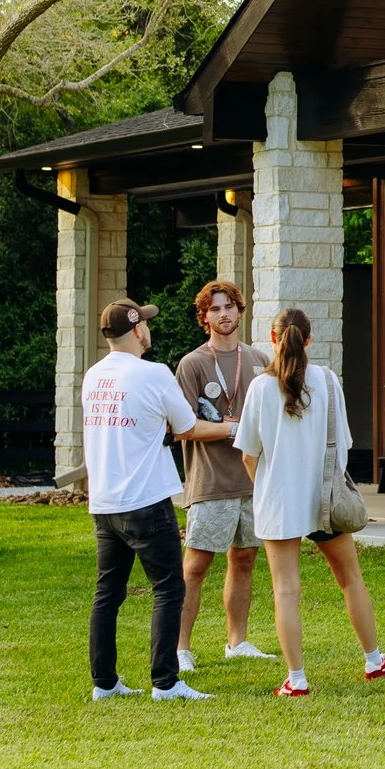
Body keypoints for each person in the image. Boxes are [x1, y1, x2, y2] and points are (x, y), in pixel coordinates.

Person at [232, 308, 385, 696]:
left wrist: (267, 487)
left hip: (279, 502)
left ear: (273, 339)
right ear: (309, 340)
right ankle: (375, 661)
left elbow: (248, 454)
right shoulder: (327, 381)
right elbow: (343, 445)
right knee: (350, 578)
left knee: (285, 591)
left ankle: (297, 680)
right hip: (325, 500)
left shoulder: (260, 388)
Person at [80, 298, 236, 702]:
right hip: (146, 500)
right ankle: (165, 682)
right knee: (168, 588)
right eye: (145, 323)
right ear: (137, 329)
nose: (147, 329)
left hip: (104, 502)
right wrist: (234, 428)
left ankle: (104, 683)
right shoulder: (154, 373)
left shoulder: (93, 377)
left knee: (107, 594)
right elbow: (187, 427)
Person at [171, 279, 274, 674]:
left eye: (229, 306)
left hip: (252, 480)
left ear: (239, 310)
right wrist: (233, 428)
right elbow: (183, 427)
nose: (223, 314)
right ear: (204, 317)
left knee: (245, 559)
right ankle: (180, 648)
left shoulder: (259, 359)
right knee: (195, 566)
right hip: (211, 481)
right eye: (214, 309)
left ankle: (238, 642)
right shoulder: (193, 363)